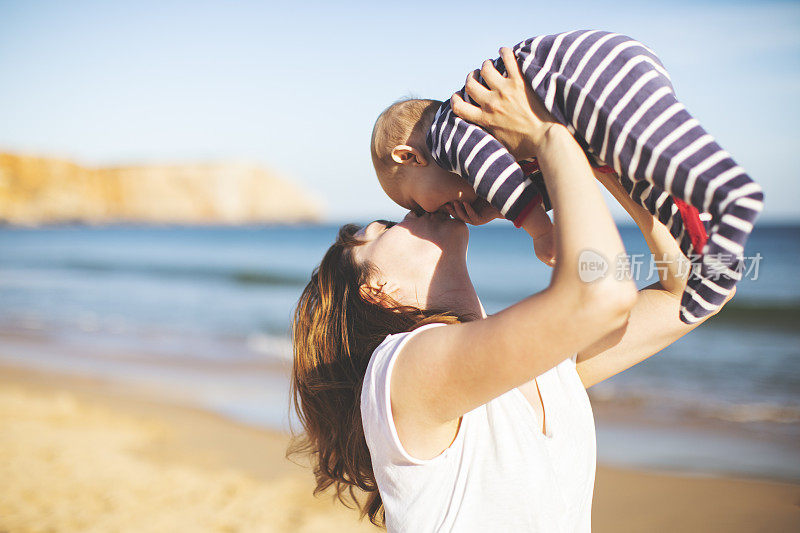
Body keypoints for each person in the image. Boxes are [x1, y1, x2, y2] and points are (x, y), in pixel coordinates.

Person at [291, 59, 735, 531]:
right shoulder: (399, 373)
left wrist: (601, 158)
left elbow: (692, 292)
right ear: (376, 290)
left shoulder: (537, 369)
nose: (410, 214)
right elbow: (601, 295)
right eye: (383, 228)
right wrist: (549, 136)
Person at [370, 30, 762, 325]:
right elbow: (555, 179)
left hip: (587, 73)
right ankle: (718, 265)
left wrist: (539, 228)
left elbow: (494, 167)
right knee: (658, 192)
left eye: (416, 205)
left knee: (656, 155)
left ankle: (729, 190)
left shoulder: (449, 130)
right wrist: (497, 205)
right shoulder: (470, 148)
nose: (434, 214)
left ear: (409, 157)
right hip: (583, 117)